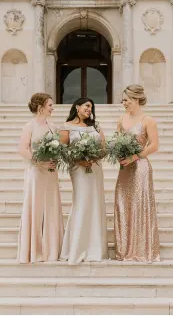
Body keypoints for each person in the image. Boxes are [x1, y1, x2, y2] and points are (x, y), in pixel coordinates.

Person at [114, 84, 161, 262]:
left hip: (140, 167)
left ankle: (141, 250)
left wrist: (135, 157)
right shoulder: (121, 119)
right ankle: (125, 250)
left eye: (126, 100)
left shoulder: (148, 120)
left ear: (136, 99)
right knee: (123, 203)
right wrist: (118, 154)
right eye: (123, 100)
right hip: (125, 168)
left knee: (140, 205)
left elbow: (154, 145)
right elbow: (117, 141)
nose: (123, 102)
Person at [59, 97, 109, 265]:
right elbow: (62, 150)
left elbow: (104, 147)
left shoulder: (95, 126)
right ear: (77, 107)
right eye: (87, 106)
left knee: (95, 203)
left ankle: (95, 249)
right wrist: (78, 160)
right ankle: (76, 248)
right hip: (78, 169)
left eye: (91, 107)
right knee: (81, 203)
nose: (89, 109)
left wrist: (95, 156)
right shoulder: (67, 126)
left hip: (94, 168)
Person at [16, 92, 63, 263]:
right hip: (36, 172)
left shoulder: (53, 126)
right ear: (40, 107)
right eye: (50, 105)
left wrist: (56, 158)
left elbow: (58, 147)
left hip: (50, 173)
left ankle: (51, 250)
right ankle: (34, 250)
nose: (53, 108)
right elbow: (23, 149)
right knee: (35, 208)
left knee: (51, 208)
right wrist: (38, 161)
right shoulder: (29, 126)